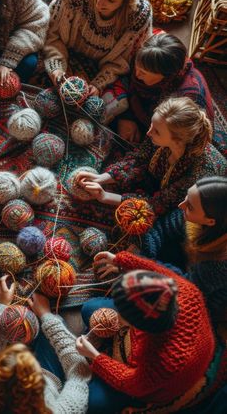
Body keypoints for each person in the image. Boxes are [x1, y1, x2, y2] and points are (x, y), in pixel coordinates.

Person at [77, 250, 216, 413]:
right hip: (167, 338)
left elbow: (131, 382)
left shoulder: (161, 361)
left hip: (163, 384)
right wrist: (120, 261)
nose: (117, 314)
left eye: (121, 314)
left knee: (92, 402)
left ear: (136, 325)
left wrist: (96, 356)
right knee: (89, 309)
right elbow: (158, 272)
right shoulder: (186, 291)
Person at [0, 275, 91, 413]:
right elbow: (79, 373)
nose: (22, 349)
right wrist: (46, 316)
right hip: (50, 377)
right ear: (39, 385)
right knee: (54, 316)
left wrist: (1, 307)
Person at [78, 97, 226, 215]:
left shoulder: (198, 173)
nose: (148, 133)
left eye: (157, 131)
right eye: (151, 126)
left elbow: (158, 204)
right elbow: (139, 159)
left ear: (177, 140)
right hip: (163, 180)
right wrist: (102, 177)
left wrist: (105, 197)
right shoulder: (159, 136)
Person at [44, 0, 152, 97]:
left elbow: (125, 61)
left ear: (126, 1)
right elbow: (52, 33)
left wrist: (98, 84)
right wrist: (56, 69)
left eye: (110, 0)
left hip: (104, 71)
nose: (100, 2)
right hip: (61, 54)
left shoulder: (138, 17)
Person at [142, 176, 227, 321]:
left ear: (210, 221)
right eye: (186, 197)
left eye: (190, 206)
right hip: (189, 269)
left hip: (204, 300)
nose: (181, 205)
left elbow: (186, 288)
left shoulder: (220, 263)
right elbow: (161, 228)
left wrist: (141, 264)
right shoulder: (196, 215)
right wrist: (146, 257)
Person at [114, 32, 214, 141]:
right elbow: (123, 79)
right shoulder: (145, 56)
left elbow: (183, 138)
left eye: (143, 72)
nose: (137, 74)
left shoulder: (188, 99)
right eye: (136, 67)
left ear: (166, 75)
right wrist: (126, 116)